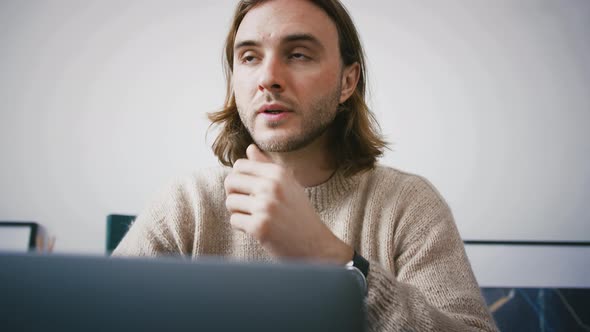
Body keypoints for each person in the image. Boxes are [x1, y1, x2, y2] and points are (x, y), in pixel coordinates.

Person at [114, 0, 498, 330]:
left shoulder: (408, 205)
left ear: (348, 81)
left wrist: (330, 257)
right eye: (249, 57)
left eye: (298, 54)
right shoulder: (187, 205)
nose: (268, 78)